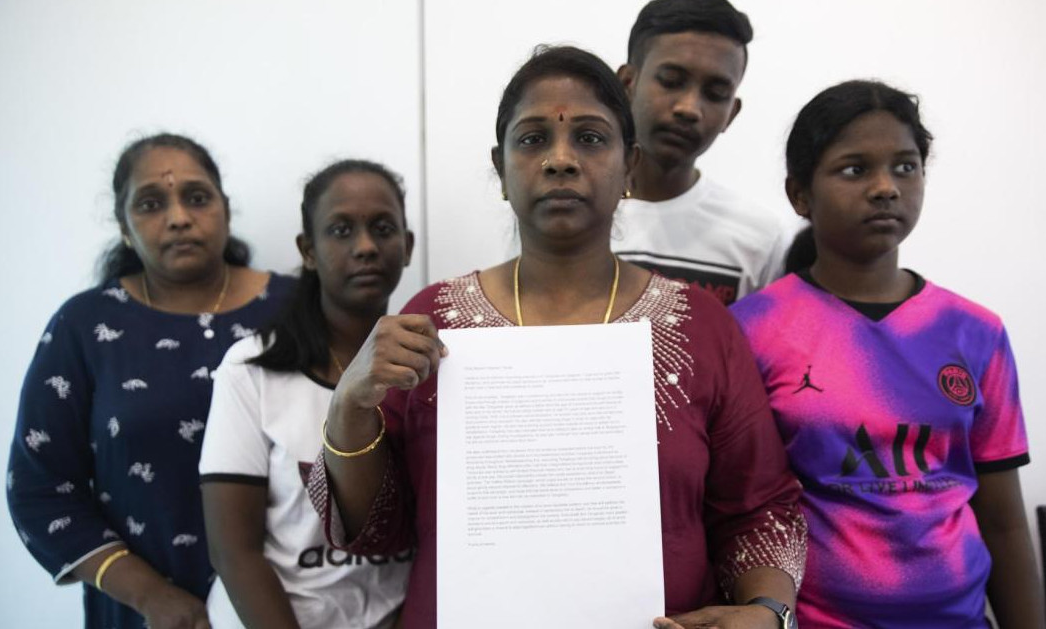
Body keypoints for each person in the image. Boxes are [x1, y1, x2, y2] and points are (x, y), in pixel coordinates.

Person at [306, 46, 806, 629]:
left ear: (630, 167)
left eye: (591, 139)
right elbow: (375, 530)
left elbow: (759, 507)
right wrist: (348, 406)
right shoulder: (433, 324)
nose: (560, 159)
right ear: (501, 168)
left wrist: (768, 613)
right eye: (533, 139)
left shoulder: (698, 325)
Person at [730, 80, 1045, 628]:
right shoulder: (753, 329)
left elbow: (1003, 519)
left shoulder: (974, 331)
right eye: (854, 169)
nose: (886, 188)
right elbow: (742, 511)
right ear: (800, 194)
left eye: (905, 167)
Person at [6, 133, 294, 629]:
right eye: (151, 204)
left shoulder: (297, 310)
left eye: (197, 197)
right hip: (149, 617)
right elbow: (39, 487)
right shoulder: (86, 327)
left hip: (296, 607)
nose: (179, 217)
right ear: (124, 228)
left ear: (226, 207)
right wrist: (150, 596)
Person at [199, 159, 415, 628]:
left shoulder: (426, 369)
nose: (365, 247)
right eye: (340, 230)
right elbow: (233, 551)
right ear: (309, 250)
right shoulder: (250, 370)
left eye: (383, 228)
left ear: (408, 246)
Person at [612, 0, 790, 306]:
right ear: (628, 84)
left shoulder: (760, 238)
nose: (689, 108)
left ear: (731, 114)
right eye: (671, 81)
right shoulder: (565, 213)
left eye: (715, 94)